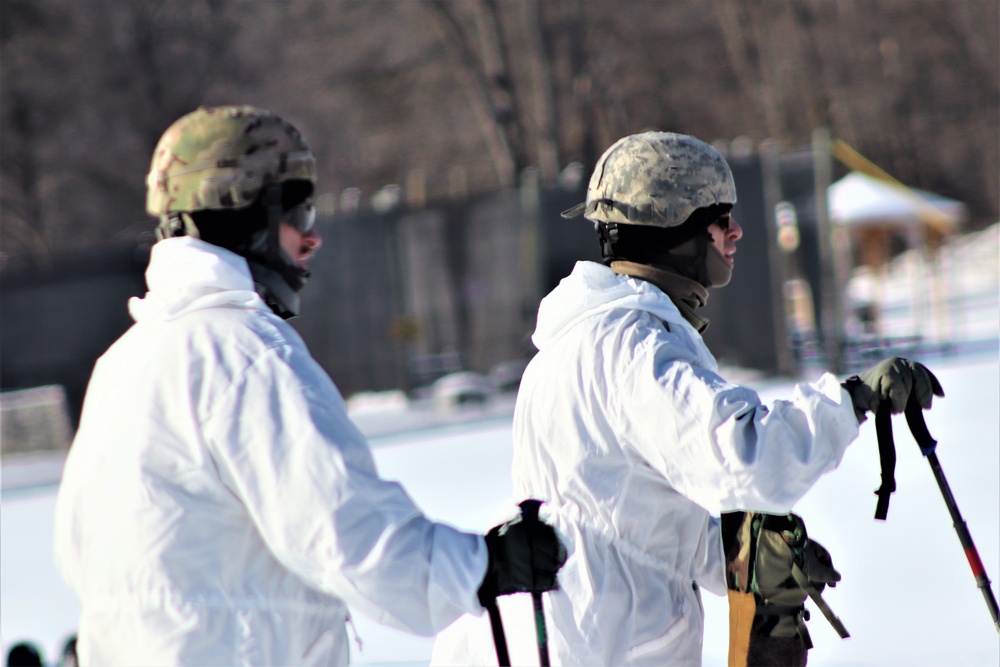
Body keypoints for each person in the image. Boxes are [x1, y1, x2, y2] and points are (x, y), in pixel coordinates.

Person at [53, 105, 565, 666]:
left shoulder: (124, 362)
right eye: (300, 211)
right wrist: (485, 566)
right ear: (243, 214)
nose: (313, 237)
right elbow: (349, 533)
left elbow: (80, 554)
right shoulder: (244, 354)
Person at [432, 131, 942, 665]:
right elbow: (749, 458)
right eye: (720, 217)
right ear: (673, 230)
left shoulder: (579, 343)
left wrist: (736, 554)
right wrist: (854, 399)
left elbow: (630, 514)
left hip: (576, 621)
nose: (737, 231)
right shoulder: (636, 347)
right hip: (603, 636)